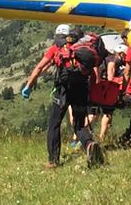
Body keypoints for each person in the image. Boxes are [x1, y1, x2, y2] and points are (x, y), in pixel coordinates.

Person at [21, 24, 97, 168]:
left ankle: (53, 161)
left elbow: (39, 68)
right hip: (81, 89)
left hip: (62, 91)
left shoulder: (56, 48)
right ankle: (89, 143)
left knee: (54, 124)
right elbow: (92, 72)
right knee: (79, 124)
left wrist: (29, 86)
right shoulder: (79, 47)